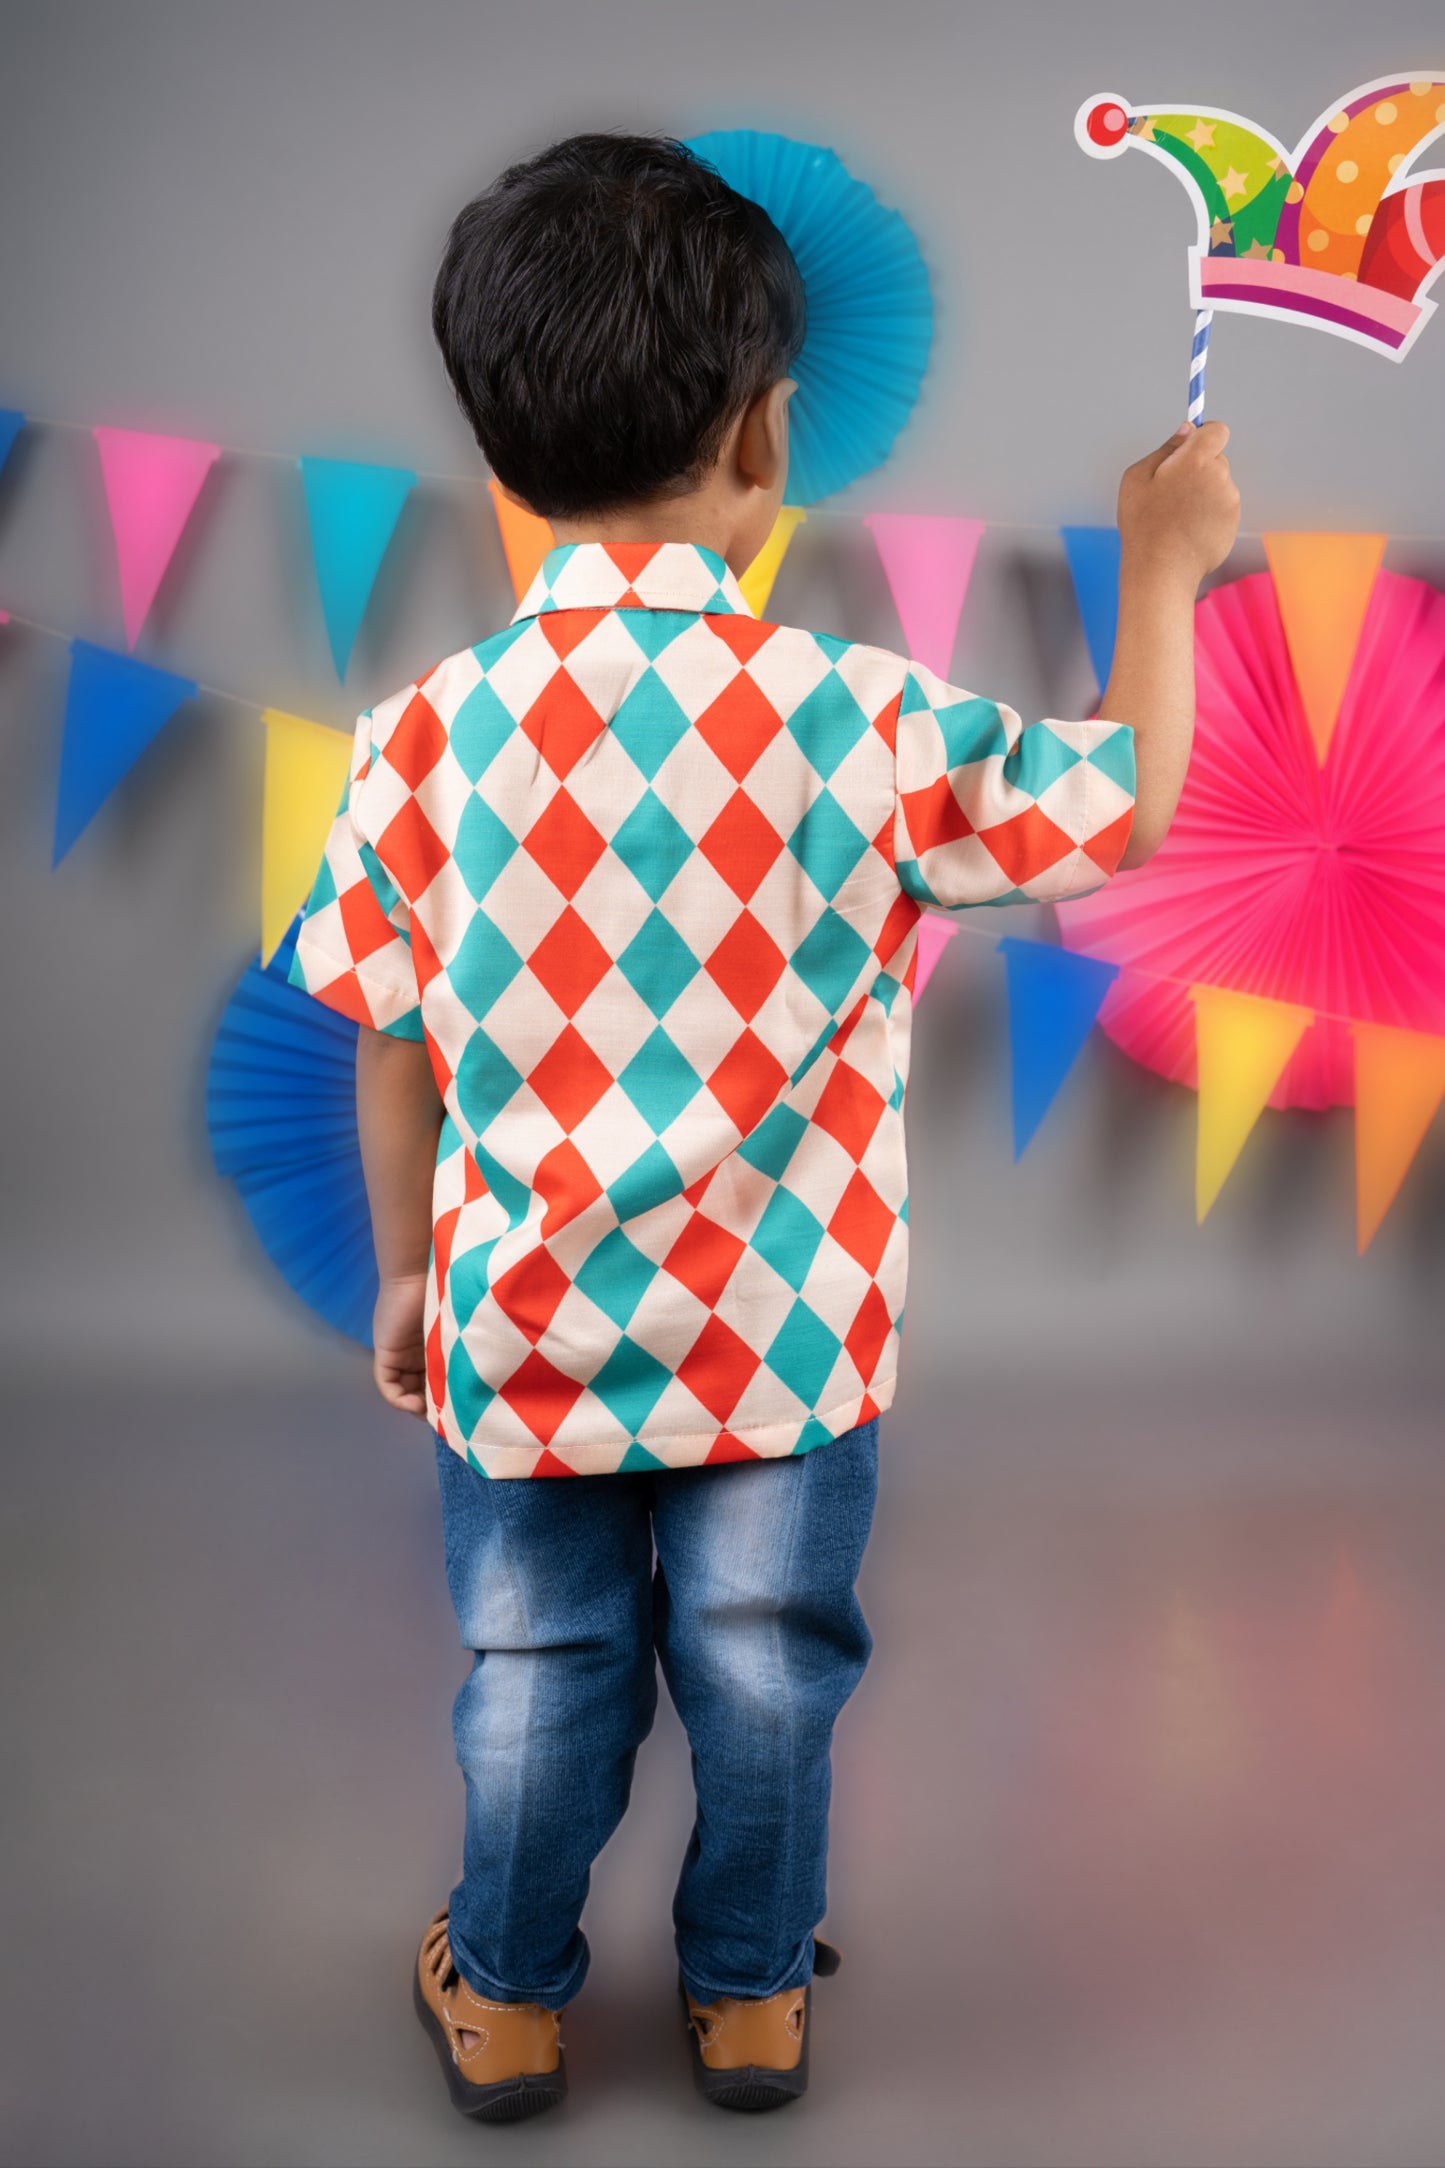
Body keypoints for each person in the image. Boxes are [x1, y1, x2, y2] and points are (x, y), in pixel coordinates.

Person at [287, 132, 1240, 2124]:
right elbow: (1126, 810)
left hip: (525, 1330)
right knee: (769, 1667)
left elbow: (386, 1040)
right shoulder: (861, 712)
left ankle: (515, 1997)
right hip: (787, 1338)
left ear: (499, 444)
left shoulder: (420, 737)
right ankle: (749, 1995)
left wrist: (401, 1273)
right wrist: (1163, 565)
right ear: (764, 432)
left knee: (536, 1683)